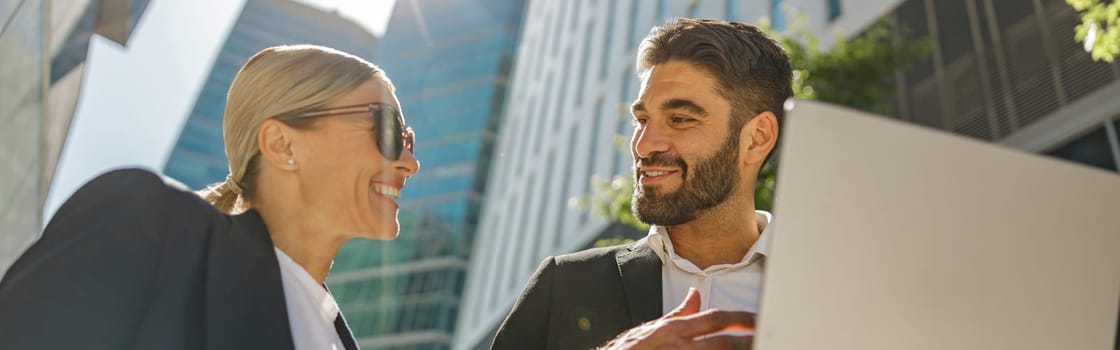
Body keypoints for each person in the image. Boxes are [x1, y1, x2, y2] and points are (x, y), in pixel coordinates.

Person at [0, 44, 420, 350]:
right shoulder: (151, 226)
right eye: (385, 129)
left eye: (407, 140)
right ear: (282, 144)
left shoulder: (335, 337)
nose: (408, 163)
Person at [491, 18, 792, 350]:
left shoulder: (832, 289)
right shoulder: (564, 284)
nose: (643, 145)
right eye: (642, 120)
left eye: (680, 119)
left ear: (757, 138)